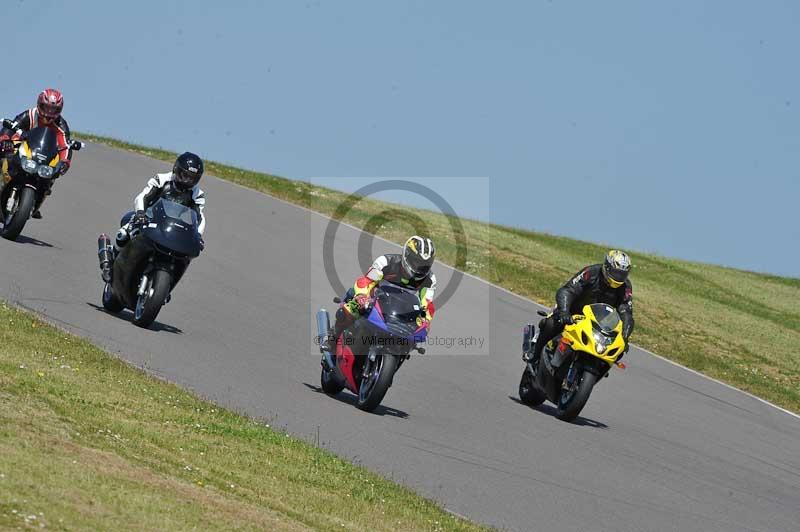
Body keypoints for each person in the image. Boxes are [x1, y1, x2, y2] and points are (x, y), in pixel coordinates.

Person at [320, 236, 437, 360]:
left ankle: (399, 354)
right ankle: (332, 338)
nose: (419, 268)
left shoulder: (430, 279)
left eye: (424, 265)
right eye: (415, 262)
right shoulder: (386, 262)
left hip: (399, 311)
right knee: (350, 308)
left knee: (418, 332)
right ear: (406, 255)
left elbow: (427, 303)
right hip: (373, 301)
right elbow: (366, 281)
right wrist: (361, 296)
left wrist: (425, 320)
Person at [100, 152, 206, 282]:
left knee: (186, 254)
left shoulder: (197, 194)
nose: (188, 181)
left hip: (174, 228)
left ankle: (170, 282)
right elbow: (143, 196)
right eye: (185, 175)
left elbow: (199, 217)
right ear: (176, 169)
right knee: (124, 233)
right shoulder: (162, 179)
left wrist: (198, 235)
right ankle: (110, 263)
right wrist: (140, 213)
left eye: (192, 178)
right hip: (149, 218)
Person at [527, 250, 634, 363]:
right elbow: (568, 290)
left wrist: (624, 337)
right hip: (572, 314)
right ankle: (535, 354)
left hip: (597, 324)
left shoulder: (625, 286)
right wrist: (564, 311)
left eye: (622, 274)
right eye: (616, 273)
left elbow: (626, 312)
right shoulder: (591, 272)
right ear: (607, 267)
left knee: (617, 351)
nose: (619, 277)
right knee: (551, 324)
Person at [0, 88, 72, 218]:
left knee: (53, 171)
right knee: (4, 150)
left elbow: (65, 145)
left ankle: (37, 200)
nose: (49, 112)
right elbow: (12, 126)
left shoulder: (61, 125)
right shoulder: (29, 115)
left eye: (53, 110)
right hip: (21, 144)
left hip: (42, 153)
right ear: (39, 104)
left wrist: (65, 162)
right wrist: (5, 139)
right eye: (46, 107)